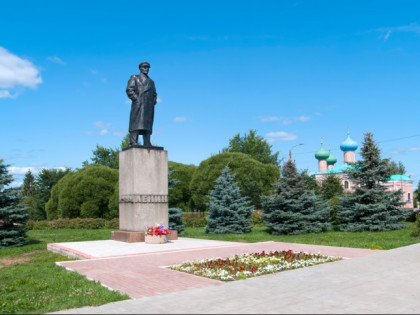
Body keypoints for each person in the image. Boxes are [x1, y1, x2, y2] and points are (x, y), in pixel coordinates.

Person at [126, 62, 157, 146]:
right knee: (136, 123)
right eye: (144, 67)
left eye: (147, 67)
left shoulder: (151, 82)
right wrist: (136, 99)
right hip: (139, 104)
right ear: (140, 68)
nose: (146, 69)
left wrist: (153, 101)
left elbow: (154, 93)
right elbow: (129, 89)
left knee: (147, 124)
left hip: (148, 105)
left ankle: (147, 142)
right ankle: (133, 141)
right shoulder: (135, 78)